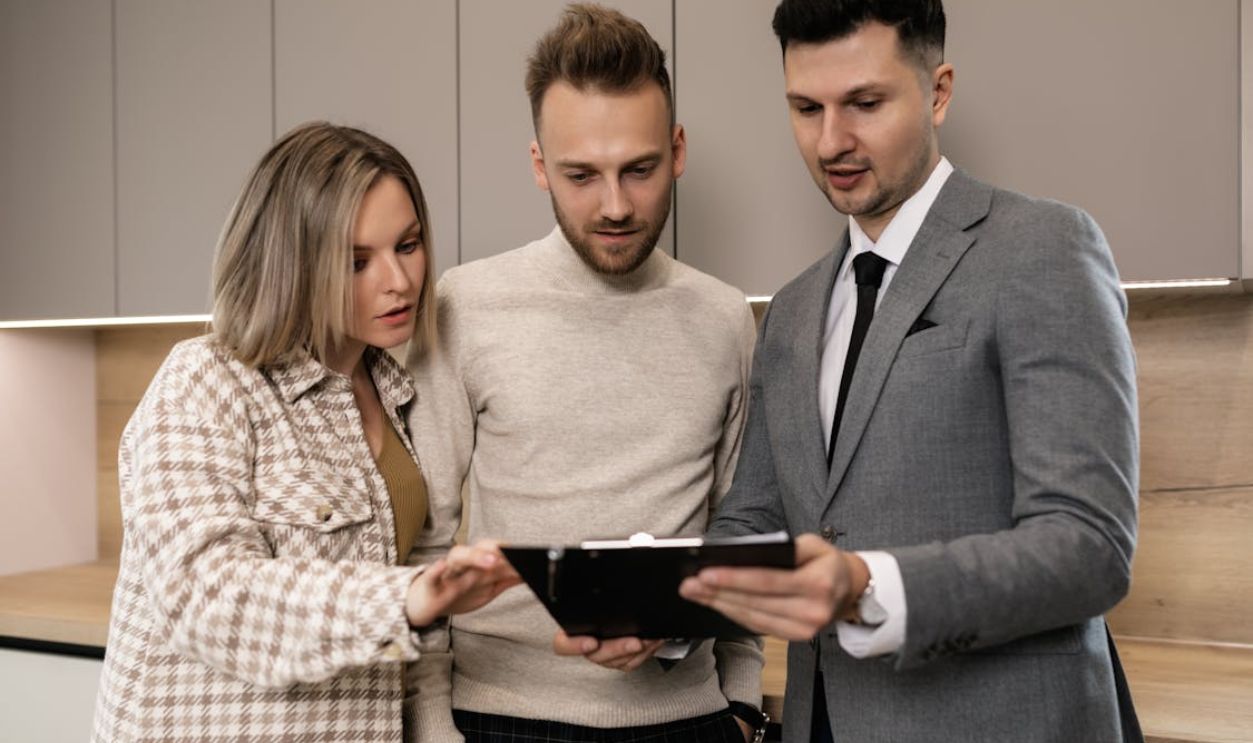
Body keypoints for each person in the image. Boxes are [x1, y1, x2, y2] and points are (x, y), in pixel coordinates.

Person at [678, 1, 1142, 741]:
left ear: (938, 91)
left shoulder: (1043, 249)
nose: (831, 141)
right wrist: (651, 612)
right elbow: (757, 519)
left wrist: (866, 585)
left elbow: (1090, 547)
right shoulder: (791, 310)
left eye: (864, 104)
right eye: (806, 108)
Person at [91, 122, 518, 743]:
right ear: (291, 265)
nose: (399, 281)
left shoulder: (396, 391)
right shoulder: (206, 381)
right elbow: (203, 596)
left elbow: (414, 596)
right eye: (357, 262)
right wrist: (404, 598)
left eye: (408, 245)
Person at [406, 4, 766, 741]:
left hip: (686, 718)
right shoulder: (463, 305)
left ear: (677, 150)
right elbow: (426, 543)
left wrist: (742, 704)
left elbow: (740, 529)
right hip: (502, 719)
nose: (615, 206)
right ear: (540, 165)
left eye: (640, 169)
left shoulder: (725, 317)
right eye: (581, 175)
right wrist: (434, 726)